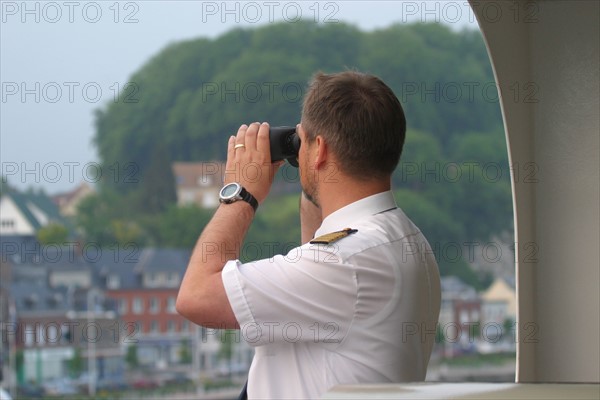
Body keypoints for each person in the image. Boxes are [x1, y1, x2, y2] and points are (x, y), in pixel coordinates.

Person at [176, 71, 441, 399]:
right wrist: (308, 168)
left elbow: (196, 297)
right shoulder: (407, 239)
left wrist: (241, 191)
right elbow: (317, 249)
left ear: (320, 151)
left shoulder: (345, 261)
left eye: (306, 142)